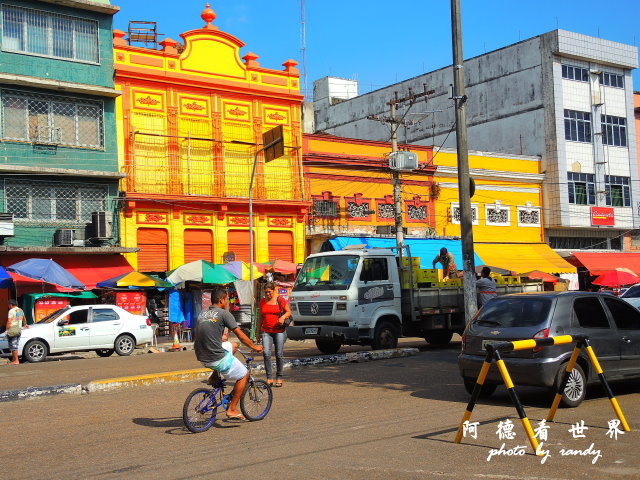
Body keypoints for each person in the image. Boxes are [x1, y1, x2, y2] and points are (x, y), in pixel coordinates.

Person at [194, 287, 262, 420]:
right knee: (244, 374)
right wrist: (254, 347)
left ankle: (214, 376)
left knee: (233, 345)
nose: (228, 302)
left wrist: (218, 338)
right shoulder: (224, 314)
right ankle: (232, 409)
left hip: (201, 355)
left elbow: (201, 333)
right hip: (215, 357)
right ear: (221, 300)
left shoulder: (203, 313)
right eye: (227, 299)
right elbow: (241, 335)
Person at [259, 282, 292, 387]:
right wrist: (257, 332)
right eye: (266, 292)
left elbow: (288, 312)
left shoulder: (279, 300)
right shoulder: (262, 301)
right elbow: (260, 317)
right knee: (266, 354)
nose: (268, 294)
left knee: (279, 354)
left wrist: (282, 318)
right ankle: (269, 377)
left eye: (269, 292)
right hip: (266, 331)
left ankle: (279, 377)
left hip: (279, 331)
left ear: (274, 290)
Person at [6, 299, 28, 365]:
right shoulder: (20, 310)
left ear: (10, 305)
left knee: (13, 346)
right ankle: (14, 359)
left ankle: (16, 361)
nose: (8, 306)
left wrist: (7, 330)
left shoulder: (11, 311)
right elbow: (23, 318)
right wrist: (25, 324)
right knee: (15, 345)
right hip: (18, 329)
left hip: (12, 329)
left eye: (8, 305)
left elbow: (9, 321)